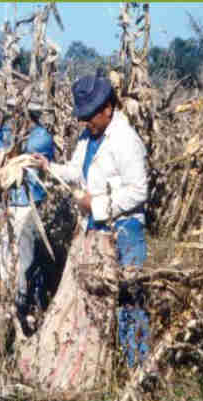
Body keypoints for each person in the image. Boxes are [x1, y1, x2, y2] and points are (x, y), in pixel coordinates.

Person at [32, 74, 150, 368]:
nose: (87, 122)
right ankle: (100, 366)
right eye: (83, 116)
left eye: (90, 116)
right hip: (93, 231)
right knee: (94, 300)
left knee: (128, 297)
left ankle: (138, 369)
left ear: (108, 108)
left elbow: (138, 190)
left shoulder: (126, 140)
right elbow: (76, 170)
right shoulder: (88, 137)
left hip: (125, 230)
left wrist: (95, 205)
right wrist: (49, 167)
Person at [0, 100, 55, 329]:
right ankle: (7, 307)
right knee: (5, 256)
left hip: (28, 206)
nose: (12, 116)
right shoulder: (11, 130)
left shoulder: (41, 137)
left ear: (28, 114)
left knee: (24, 261)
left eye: (17, 112)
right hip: (8, 206)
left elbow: (14, 150)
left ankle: (22, 308)